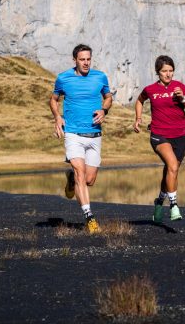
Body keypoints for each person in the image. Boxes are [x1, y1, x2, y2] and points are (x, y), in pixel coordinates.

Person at [48, 44, 113, 234]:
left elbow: (108, 97)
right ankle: (90, 219)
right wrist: (57, 117)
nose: (86, 63)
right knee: (80, 173)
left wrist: (104, 109)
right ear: (74, 60)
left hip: (94, 135)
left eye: (88, 59)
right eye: (82, 59)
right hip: (73, 133)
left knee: (89, 180)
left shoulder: (100, 77)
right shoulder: (63, 78)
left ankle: (70, 181)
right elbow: (53, 99)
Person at [133, 55, 185, 223]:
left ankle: (159, 202)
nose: (168, 74)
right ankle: (174, 205)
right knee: (173, 166)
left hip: (180, 135)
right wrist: (138, 118)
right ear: (157, 72)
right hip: (159, 134)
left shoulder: (180, 87)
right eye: (164, 71)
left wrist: (182, 98)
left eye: (171, 71)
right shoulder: (150, 89)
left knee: (171, 172)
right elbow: (139, 100)